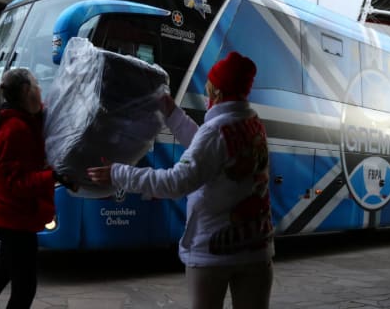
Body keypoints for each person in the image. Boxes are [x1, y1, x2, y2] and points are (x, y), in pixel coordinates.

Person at [87, 51, 275, 309]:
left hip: (214, 252)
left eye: (210, 86)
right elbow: (209, 155)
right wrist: (173, 115)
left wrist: (118, 174)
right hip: (256, 249)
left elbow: (178, 181)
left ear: (217, 92)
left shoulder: (215, 131)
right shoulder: (252, 124)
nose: (207, 91)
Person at [0, 68, 74, 309]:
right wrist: (53, 176)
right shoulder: (14, 129)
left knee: (5, 269)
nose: (41, 91)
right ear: (27, 92)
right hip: (15, 219)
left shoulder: (19, 121)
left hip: (10, 216)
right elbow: (17, 183)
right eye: (38, 86)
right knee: (25, 287)